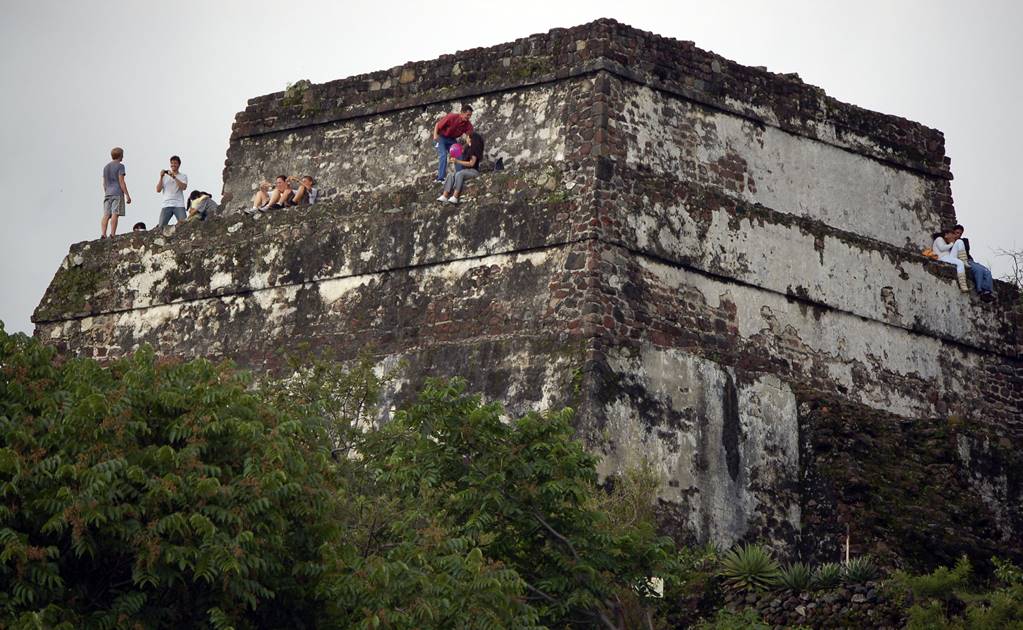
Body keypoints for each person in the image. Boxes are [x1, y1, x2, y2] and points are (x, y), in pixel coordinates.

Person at [437, 131, 484, 204]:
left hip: (473, 171)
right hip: (466, 171)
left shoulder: (474, 150)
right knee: (450, 175)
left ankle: (455, 196)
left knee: (459, 174)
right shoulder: (467, 148)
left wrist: (458, 161)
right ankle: (445, 196)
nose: (466, 138)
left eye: (468, 137)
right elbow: (459, 151)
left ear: (471, 139)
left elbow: (471, 163)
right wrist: (454, 158)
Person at [432, 105, 473, 182]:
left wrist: (466, 144)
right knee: (443, 154)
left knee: (458, 154)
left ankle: (459, 176)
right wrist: (435, 135)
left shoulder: (468, 124)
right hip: (441, 137)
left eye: (470, 116)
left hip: (451, 140)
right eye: (467, 115)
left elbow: (469, 136)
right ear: (462, 113)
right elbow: (437, 124)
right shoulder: (451, 117)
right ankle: (440, 178)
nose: (468, 117)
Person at [953, 224, 995, 300]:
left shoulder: (963, 241)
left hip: (969, 260)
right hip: (961, 261)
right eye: (956, 233)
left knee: (987, 271)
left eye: (960, 233)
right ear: (953, 233)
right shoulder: (951, 243)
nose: (958, 235)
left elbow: (966, 249)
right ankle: (980, 290)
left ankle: (987, 291)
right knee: (978, 270)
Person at [101, 147, 131, 238]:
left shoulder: (106, 167)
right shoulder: (120, 166)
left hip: (107, 193)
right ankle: (112, 234)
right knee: (115, 213)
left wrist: (106, 192)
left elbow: (104, 183)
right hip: (117, 192)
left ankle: (103, 234)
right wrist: (127, 195)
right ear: (120, 155)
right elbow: (121, 181)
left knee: (106, 214)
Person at [932, 227, 970, 292]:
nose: (953, 239)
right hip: (942, 258)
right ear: (946, 235)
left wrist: (952, 244)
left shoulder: (947, 242)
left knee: (959, 241)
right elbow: (942, 248)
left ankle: (964, 260)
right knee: (959, 263)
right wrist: (952, 243)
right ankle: (963, 286)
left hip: (948, 257)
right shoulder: (939, 239)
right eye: (952, 236)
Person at [156, 155, 189, 227]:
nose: (173, 165)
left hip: (179, 204)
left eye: (175, 163)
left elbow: (183, 187)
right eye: (172, 163)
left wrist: (174, 177)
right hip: (166, 204)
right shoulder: (164, 177)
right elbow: (158, 190)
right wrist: (161, 177)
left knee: (185, 225)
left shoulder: (183, 176)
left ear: (179, 164)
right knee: (161, 226)